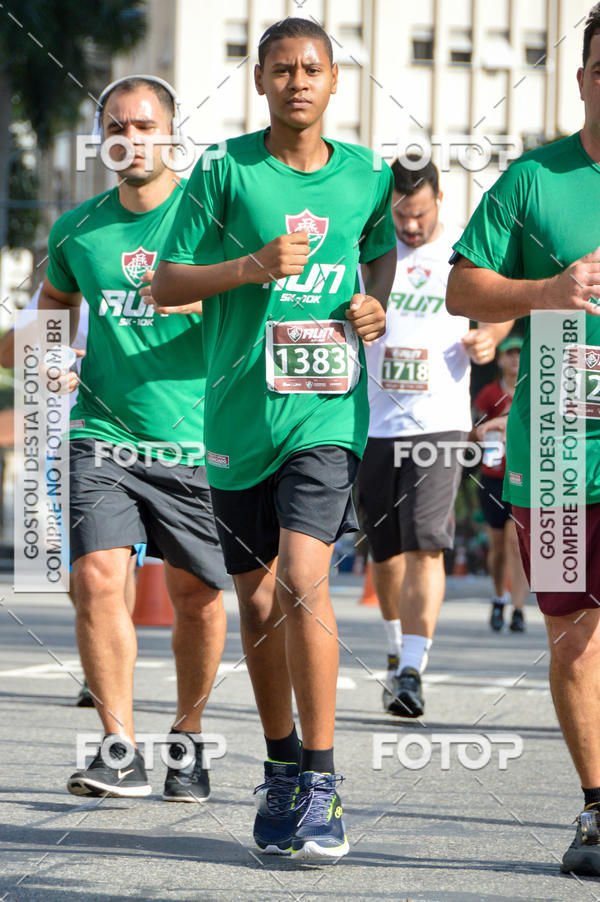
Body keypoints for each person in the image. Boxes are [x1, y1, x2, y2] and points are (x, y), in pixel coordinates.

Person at [152, 18, 396, 859]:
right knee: (256, 600)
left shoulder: (367, 174)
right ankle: (283, 765)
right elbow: (164, 282)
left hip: (326, 414)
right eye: (283, 68)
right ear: (259, 80)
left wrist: (374, 306)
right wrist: (252, 267)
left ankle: (324, 785)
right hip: (236, 418)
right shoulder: (224, 171)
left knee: (302, 579)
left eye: (314, 68)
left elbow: (380, 253)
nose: (299, 81)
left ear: (336, 83)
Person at [38, 74, 228, 802]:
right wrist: (42, 348)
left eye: (145, 125)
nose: (131, 136)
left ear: (171, 132)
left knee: (199, 598)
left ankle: (188, 737)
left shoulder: (209, 217)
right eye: (117, 125)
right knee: (94, 578)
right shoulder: (79, 230)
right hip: (102, 432)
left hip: (199, 438)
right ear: (101, 138)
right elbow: (52, 308)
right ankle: (119, 748)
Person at [446, 3, 600, 875]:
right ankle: (597, 807)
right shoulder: (533, 180)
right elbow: (464, 288)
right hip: (559, 448)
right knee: (574, 630)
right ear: (582, 78)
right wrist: (549, 290)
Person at [356, 157, 512, 718]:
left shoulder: (462, 254)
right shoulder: (371, 251)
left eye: (419, 215)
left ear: (439, 200)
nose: (411, 227)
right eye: (401, 216)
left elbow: (501, 306)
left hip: (439, 421)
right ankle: (398, 652)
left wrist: (489, 337)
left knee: (427, 542)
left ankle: (414, 672)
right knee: (386, 549)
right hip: (372, 421)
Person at [473, 335, 529, 632]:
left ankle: (518, 609)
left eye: (520, 353)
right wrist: (484, 432)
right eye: (509, 354)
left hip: (522, 476)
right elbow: (473, 430)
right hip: (493, 476)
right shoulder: (489, 394)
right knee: (497, 546)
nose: (515, 359)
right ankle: (498, 597)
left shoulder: (531, 391)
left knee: (515, 543)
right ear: (499, 359)